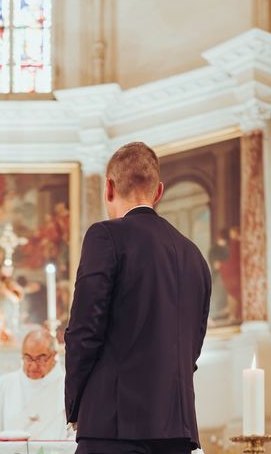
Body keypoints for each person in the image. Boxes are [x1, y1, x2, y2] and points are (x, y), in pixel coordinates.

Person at [65, 142, 212, 454]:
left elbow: (84, 331)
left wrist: (76, 405)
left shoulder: (105, 236)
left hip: (112, 426)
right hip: (177, 430)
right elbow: (192, 348)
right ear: (158, 192)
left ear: (108, 188)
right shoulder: (195, 255)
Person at [0, 327, 72, 441]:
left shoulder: (68, 388)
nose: (33, 366)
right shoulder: (4, 385)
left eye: (40, 359)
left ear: (54, 356)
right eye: (28, 358)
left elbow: (75, 435)